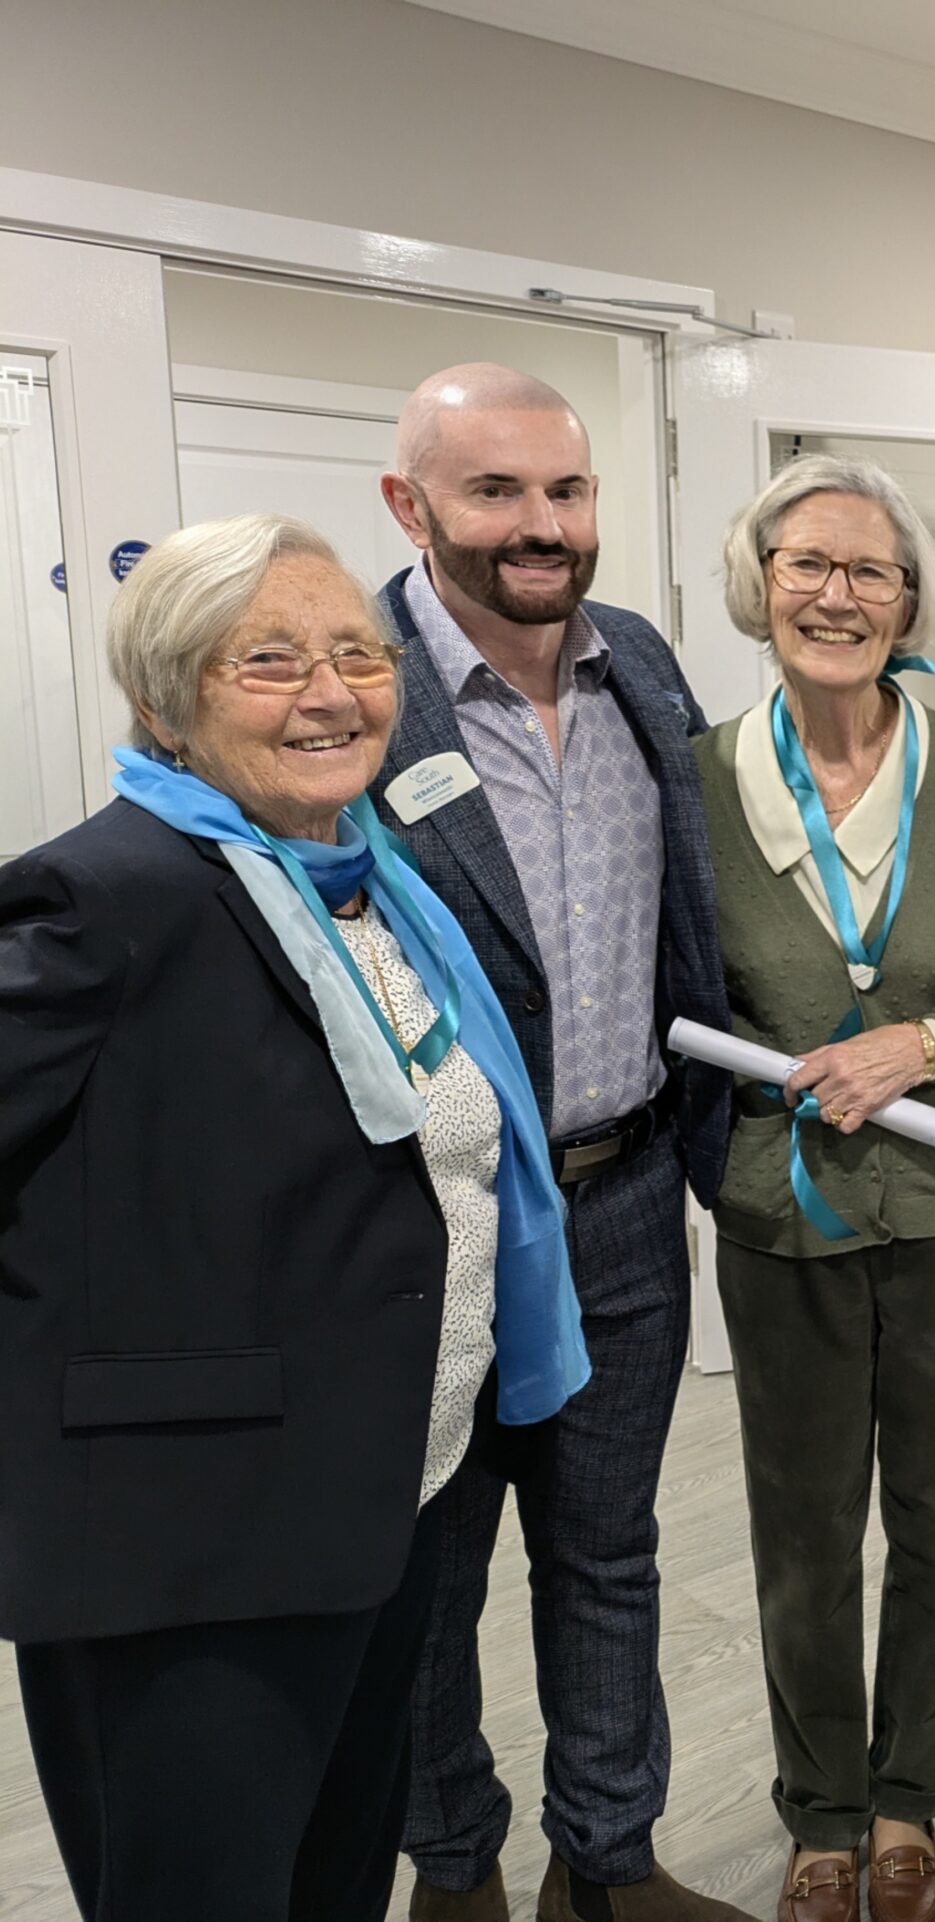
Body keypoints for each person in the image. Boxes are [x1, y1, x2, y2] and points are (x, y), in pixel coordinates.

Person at [0, 515, 586, 1922]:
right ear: (166, 697)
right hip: (186, 1546)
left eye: (354, 653)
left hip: (381, 1499)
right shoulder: (108, 896)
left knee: (331, 1880)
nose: (331, 692)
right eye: (268, 659)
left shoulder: (371, 883)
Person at [373, 366, 745, 1922]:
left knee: (610, 1553)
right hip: (433, 1222)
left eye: (567, 491)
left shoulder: (640, 662)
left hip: (625, 1200)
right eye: (496, 491)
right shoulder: (352, 687)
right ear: (412, 504)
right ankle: (453, 1868)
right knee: (427, 1581)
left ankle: (606, 1859)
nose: (542, 525)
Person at [695, 452, 935, 1922]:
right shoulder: (701, 776)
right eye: (809, 565)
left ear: (909, 599)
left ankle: (913, 1792)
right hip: (782, 1209)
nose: (838, 595)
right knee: (800, 1528)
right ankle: (822, 1808)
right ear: (762, 584)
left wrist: (920, 1040)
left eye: (871, 572)